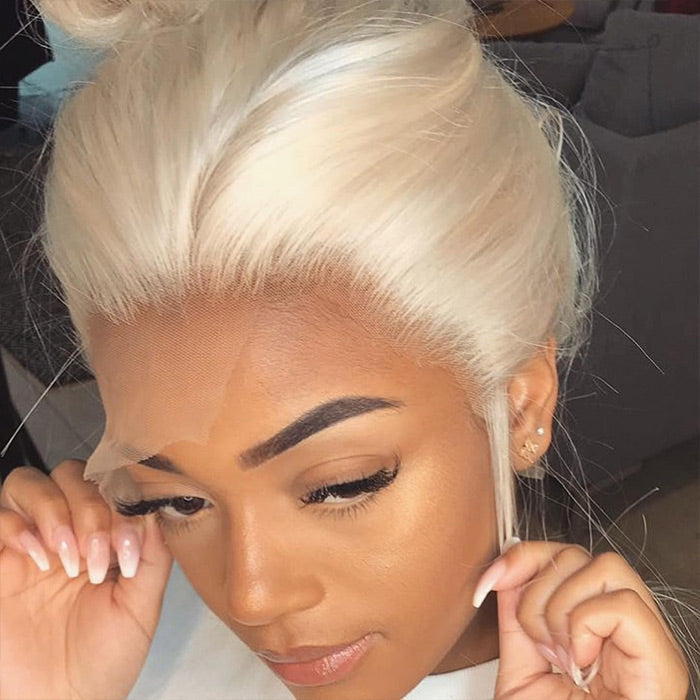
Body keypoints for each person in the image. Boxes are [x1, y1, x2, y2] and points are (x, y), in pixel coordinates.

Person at [0, 1, 693, 699]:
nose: (252, 597)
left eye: (342, 486)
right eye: (175, 501)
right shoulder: (102, 637)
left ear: (521, 407)